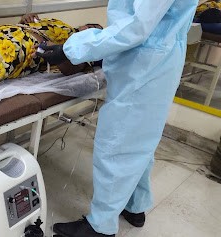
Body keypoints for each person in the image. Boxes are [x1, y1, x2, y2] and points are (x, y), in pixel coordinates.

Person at [35, 1, 198, 237]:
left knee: (118, 144)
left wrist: (71, 50)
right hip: (160, 58)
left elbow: (136, 26)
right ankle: (135, 206)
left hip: (144, 64)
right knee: (141, 140)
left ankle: (100, 226)